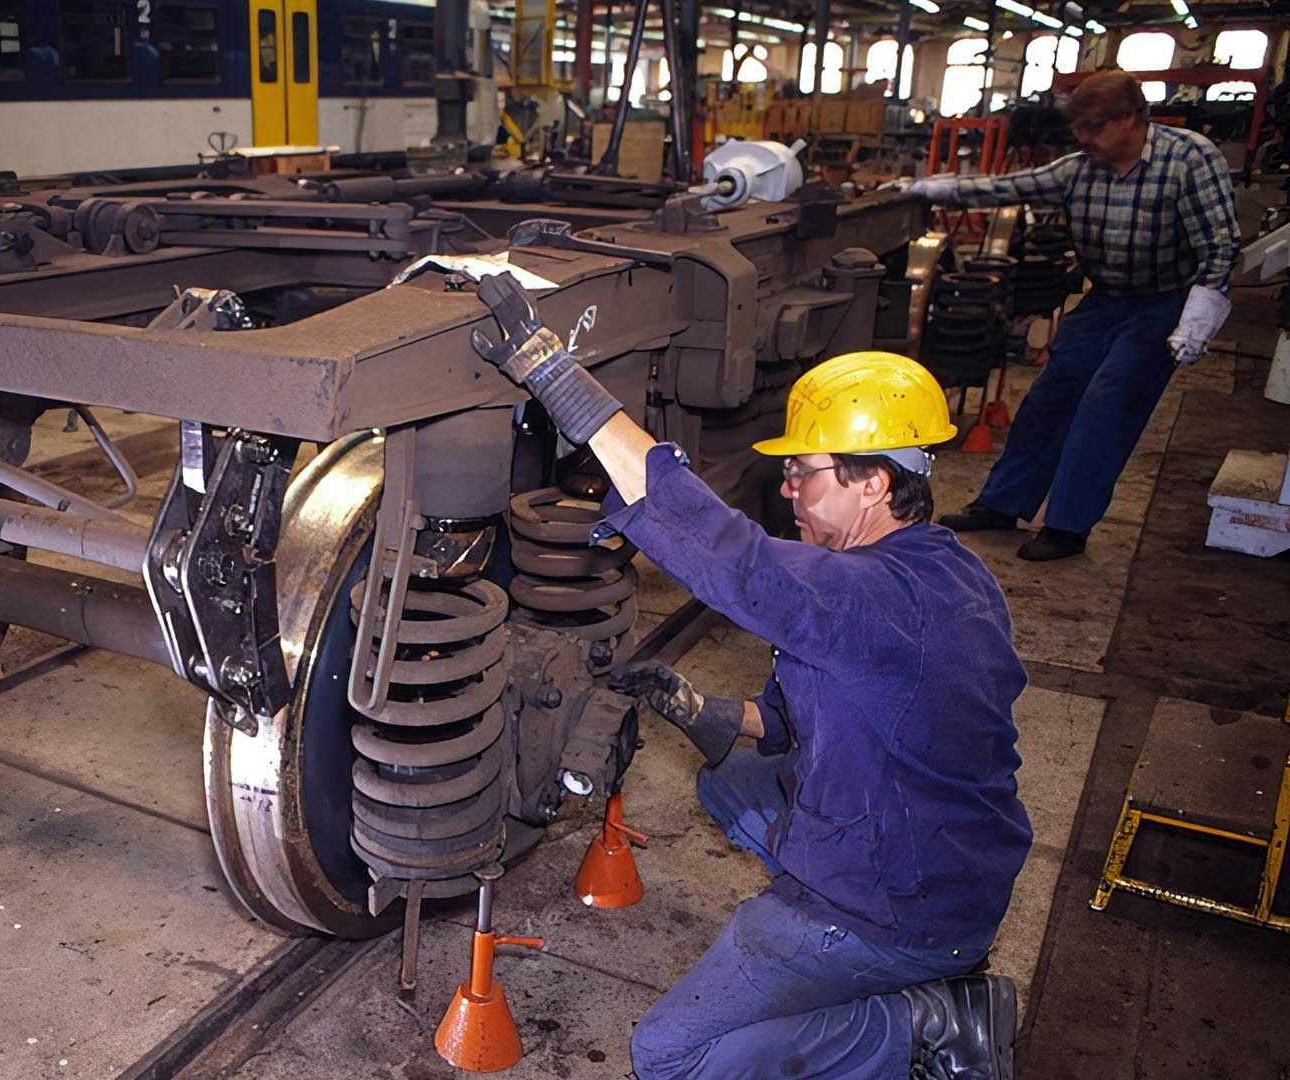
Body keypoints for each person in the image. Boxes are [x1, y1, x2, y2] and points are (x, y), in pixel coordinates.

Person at [469, 271, 1032, 1079]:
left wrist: (558, 376)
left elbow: (725, 551)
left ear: (874, 482)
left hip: (895, 908)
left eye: (807, 471)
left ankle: (924, 1024)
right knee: (728, 784)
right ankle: (864, 957)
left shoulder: (858, 597)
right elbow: (808, 715)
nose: (788, 487)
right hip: (959, 865)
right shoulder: (954, 574)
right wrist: (698, 707)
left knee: (669, 1055)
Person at [906, 69, 1240, 561]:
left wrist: (1201, 313)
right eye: (1079, 128)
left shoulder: (1188, 159)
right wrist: (931, 189)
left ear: (1133, 118)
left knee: (1108, 403)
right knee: (1050, 395)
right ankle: (1002, 504)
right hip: (1104, 297)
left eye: (1096, 127)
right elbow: (1014, 186)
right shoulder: (1081, 167)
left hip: (1162, 302)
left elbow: (1221, 243)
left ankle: (1067, 526)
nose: (1085, 139)